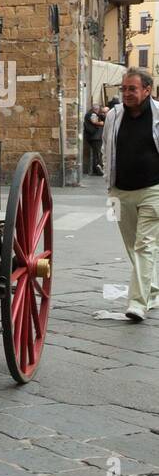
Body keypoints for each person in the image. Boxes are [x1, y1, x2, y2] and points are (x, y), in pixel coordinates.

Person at [101, 67, 159, 321]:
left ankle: (137, 304)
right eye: (123, 89)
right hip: (120, 191)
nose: (126, 93)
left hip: (152, 191)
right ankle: (152, 289)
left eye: (132, 89)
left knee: (144, 246)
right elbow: (107, 148)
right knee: (131, 246)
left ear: (147, 90)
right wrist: (109, 186)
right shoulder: (114, 115)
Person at [83, 102, 106, 176]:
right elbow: (95, 121)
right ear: (97, 109)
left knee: (97, 153)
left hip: (95, 136)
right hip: (95, 137)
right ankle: (98, 169)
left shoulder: (93, 114)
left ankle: (96, 169)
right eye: (99, 109)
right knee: (98, 153)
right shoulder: (92, 114)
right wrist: (102, 123)